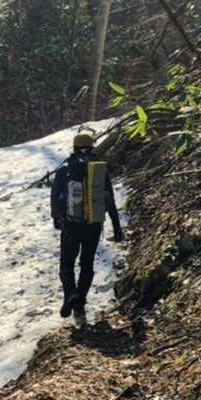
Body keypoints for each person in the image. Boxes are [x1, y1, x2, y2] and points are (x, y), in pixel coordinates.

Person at [50, 131, 124, 326]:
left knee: (67, 263)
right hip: (93, 225)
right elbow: (109, 199)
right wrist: (116, 226)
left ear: (74, 148)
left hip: (71, 225)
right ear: (91, 148)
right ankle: (80, 305)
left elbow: (55, 196)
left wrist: (56, 218)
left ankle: (70, 293)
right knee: (87, 264)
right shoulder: (99, 170)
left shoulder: (65, 169)